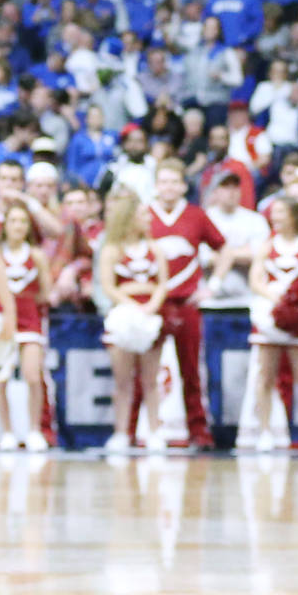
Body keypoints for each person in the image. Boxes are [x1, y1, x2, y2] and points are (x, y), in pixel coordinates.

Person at [143, 158, 225, 451]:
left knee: (191, 370)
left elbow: (223, 248)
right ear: (155, 186)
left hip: (188, 302)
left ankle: (200, 433)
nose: (168, 187)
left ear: (182, 186)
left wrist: (212, 286)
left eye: (173, 182)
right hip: (153, 303)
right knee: (144, 371)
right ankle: (135, 430)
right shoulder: (144, 216)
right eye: (163, 181)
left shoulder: (195, 215)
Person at [243, 192, 298, 454]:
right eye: (273, 213)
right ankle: (266, 431)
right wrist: (276, 297)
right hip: (271, 318)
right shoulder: (267, 246)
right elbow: (255, 280)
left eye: (280, 212)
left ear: (293, 216)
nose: (274, 217)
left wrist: (297, 300)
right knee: (265, 376)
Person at [93, 185, 167, 454]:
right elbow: (108, 286)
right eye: (143, 215)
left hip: (150, 316)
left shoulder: (154, 249)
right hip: (123, 317)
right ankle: (121, 432)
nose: (148, 219)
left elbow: (161, 283)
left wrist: (151, 307)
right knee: (123, 381)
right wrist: (133, 304)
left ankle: (155, 432)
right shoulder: (112, 249)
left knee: (151, 380)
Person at [0, 201, 54, 451]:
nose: (18, 226)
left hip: (30, 320)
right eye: (13, 221)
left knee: (32, 374)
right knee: (0, 377)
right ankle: (6, 431)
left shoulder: (36, 256)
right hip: (1, 321)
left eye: (23, 221)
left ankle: (34, 430)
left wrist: (25, 303)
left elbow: (45, 292)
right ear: (4, 226)